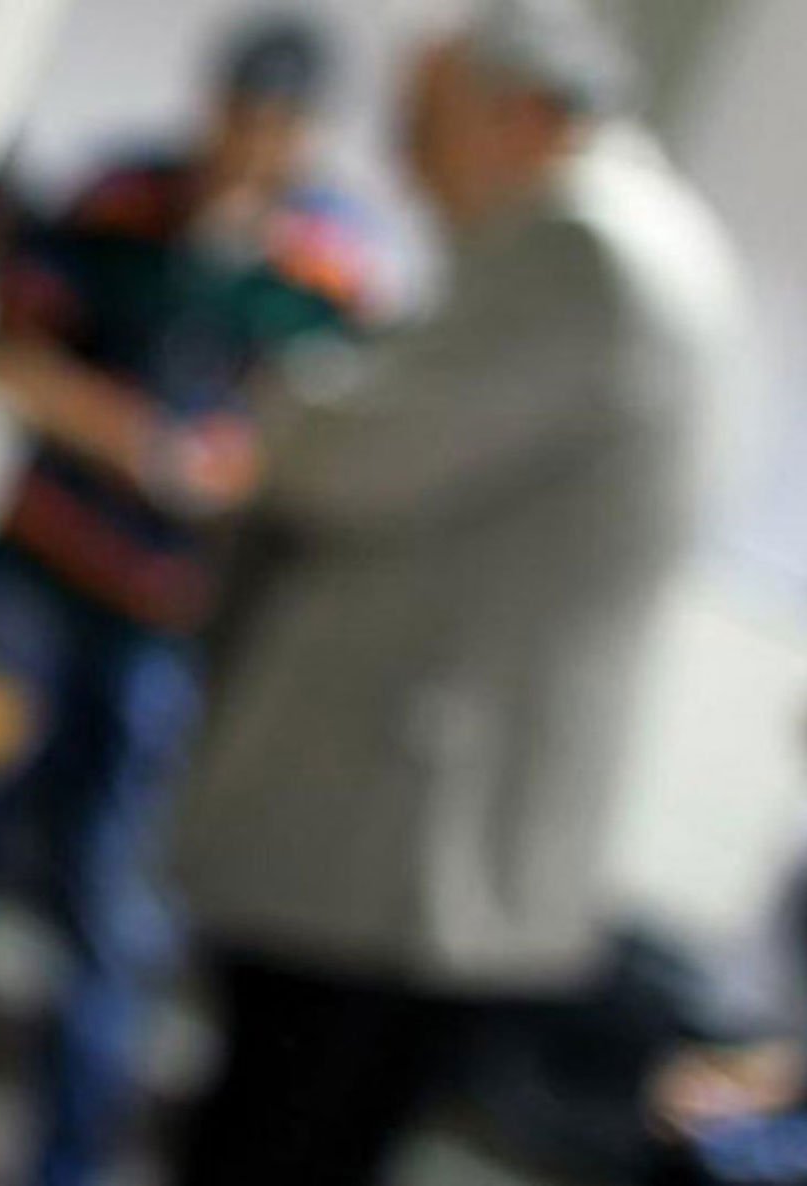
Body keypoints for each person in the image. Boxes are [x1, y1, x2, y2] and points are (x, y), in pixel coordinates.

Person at [169, 1, 748, 1183]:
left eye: (424, 129)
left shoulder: (581, 248)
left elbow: (351, 458)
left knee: (273, 1134)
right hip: (448, 830)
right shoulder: (654, 242)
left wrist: (285, 390)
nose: (407, 169)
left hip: (406, 828)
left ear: (522, 117)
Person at [0, 16, 367, 1185]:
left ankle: (68, 1163)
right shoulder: (121, 201)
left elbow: (334, 451)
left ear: (306, 139)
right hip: (35, 580)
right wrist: (131, 440)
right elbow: (9, 354)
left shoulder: (332, 271)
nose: (248, 148)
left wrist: (231, 470)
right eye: (237, 118)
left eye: (275, 131)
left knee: (114, 909)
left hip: (170, 630)